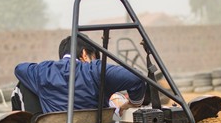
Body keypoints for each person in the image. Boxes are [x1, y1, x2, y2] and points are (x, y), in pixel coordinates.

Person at [12, 35, 146, 116]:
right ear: (84, 54)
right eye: (94, 57)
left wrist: (41, 68)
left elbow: (19, 69)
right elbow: (137, 78)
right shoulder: (95, 69)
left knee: (23, 85)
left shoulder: (42, 71)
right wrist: (132, 103)